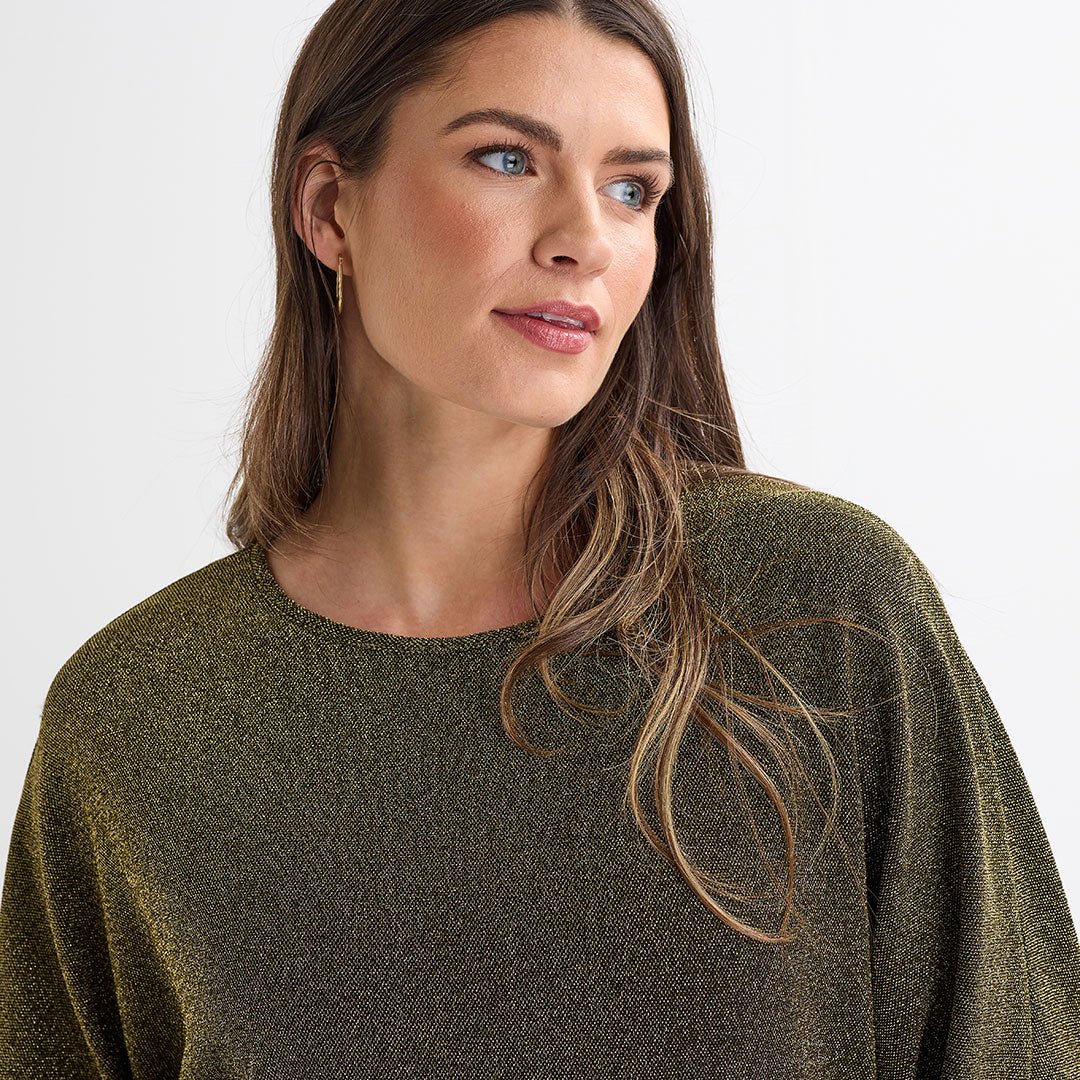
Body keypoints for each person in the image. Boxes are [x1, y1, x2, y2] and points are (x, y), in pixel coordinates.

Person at [2, 0, 1077, 1076]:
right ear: (329, 207)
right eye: (508, 158)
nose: (585, 240)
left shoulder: (817, 612)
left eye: (631, 189)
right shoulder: (138, 720)